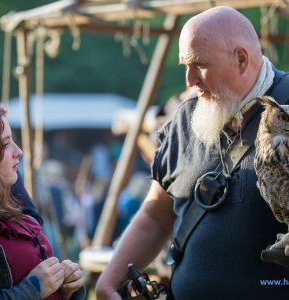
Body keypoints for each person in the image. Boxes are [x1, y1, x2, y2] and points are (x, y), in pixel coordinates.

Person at [95, 6, 289, 299]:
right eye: (185, 65)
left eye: (198, 64)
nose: (189, 80)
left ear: (241, 59)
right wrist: (109, 281)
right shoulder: (183, 120)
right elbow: (156, 215)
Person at [0, 102, 86, 299]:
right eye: (6, 144)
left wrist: (64, 287)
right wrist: (32, 289)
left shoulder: (15, 213)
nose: (18, 151)